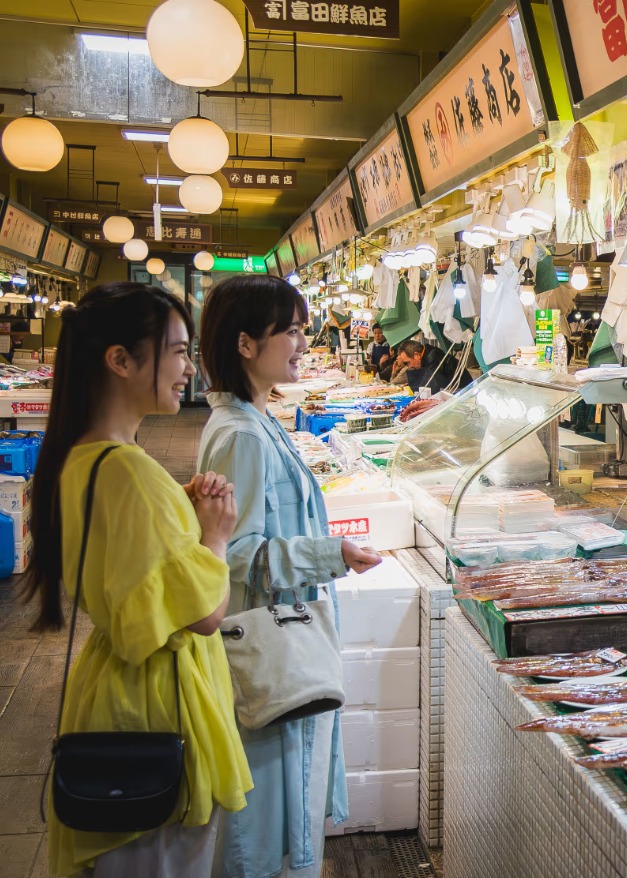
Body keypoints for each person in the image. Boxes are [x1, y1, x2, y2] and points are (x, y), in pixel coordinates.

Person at [23, 282, 252, 877]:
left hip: (108, 693)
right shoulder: (129, 472)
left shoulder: (79, 458)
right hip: (154, 704)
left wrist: (177, 506)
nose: (188, 370)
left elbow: (126, 552)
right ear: (120, 360)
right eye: (176, 352)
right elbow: (203, 614)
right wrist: (216, 536)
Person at [197, 275, 382, 878]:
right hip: (268, 652)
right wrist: (333, 554)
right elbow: (233, 553)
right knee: (265, 824)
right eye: (293, 331)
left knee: (276, 816)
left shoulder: (253, 420)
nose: (304, 342)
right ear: (246, 344)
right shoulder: (242, 438)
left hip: (279, 644)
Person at [390, 338, 458, 394]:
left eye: (408, 362)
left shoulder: (434, 358)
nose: (409, 366)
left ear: (417, 355)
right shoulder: (427, 355)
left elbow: (429, 388)